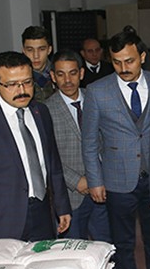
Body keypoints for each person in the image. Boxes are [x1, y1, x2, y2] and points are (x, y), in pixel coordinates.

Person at [82, 27, 150, 269]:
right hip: (117, 180)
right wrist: (95, 180)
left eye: (130, 61)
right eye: (117, 62)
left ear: (142, 57)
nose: (123, 68)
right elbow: (89, 141)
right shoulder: (97, 91)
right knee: (123, 242)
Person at [0, 51, 72, 241]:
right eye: (11, 85)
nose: (21, 90)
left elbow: (53, 165)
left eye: (27, 82)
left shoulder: (41, 112)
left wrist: (62, 206)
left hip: (42, 215)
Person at [45, 49, 111, 242]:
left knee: (106, 246)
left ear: (81, 73)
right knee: (73, 249)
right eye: (61, 74)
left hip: (103, 188)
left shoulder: (98, 99)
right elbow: (47, 155)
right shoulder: (45, 110)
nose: (67, 80)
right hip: (70, 195)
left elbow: (109, 141)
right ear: (53, 77)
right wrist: (76, 181)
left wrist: (100, 177)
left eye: (72, 73)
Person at [22, 25, 55, 102]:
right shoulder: (17, 78)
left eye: (41, 49)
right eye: (30, 50)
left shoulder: (60, 74)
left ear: (49, 50)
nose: (36, 56)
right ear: (24, 51)